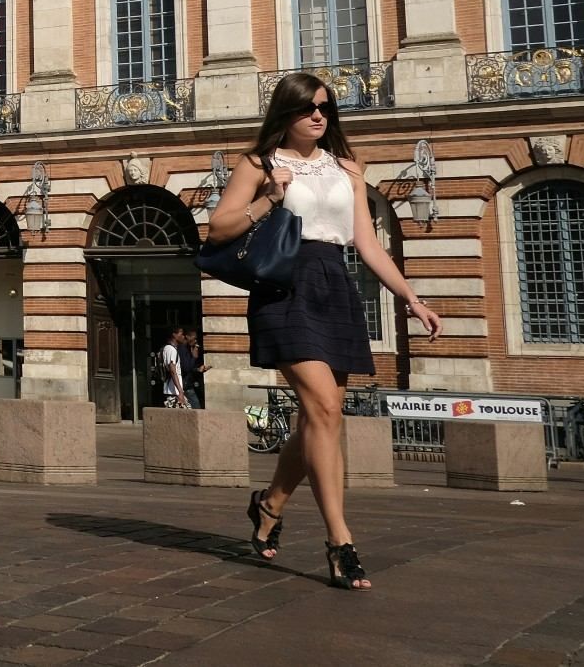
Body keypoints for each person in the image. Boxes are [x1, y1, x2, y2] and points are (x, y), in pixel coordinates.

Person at [209, 72, 441, 591]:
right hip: (284, 286)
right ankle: (341, 541)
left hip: (334, 283)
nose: (319, 116)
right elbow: (218, 228)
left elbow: (366, 242)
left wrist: (411, 298)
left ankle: (269, 505)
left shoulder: (346, 169)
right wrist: (269, 198)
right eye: (308, 108)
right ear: (285, 114)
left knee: (322, 418)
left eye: (326, 108)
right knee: (325, 409)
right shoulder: (259, 164)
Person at [158, 326, 188, 409]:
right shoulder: (171, 350)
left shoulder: (168, 349)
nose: (183, 337)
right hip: (173, 393)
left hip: (173, 392)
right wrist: (180, 392)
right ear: (174, 335)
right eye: (181, 334)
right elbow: (172, 370)